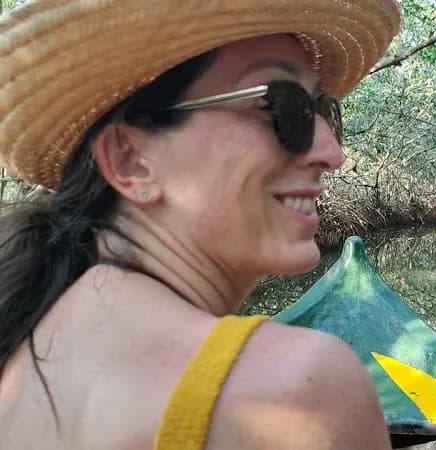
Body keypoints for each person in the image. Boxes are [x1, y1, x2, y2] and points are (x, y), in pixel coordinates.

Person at [0, 1, 402, 449]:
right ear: (130, 161)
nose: (331, 153)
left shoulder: (19, 357)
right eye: (280, 105)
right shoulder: (299, 389)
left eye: (323, 110)